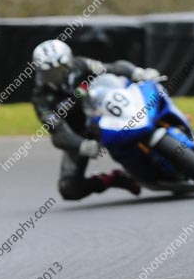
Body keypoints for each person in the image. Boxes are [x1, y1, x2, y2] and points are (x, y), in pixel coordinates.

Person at [31, 39, 161, 200]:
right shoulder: (41, 99)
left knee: (145, 107)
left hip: (105, 112)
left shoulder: (80, 65)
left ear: (67, 65)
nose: (51, 77)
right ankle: (114, 179)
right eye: (46, 72)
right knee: (69, 189)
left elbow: (112, 68)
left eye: (56, 71)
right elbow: (57, 132)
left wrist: (137, 72)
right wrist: (80, 145)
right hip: (81, 133)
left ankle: (170, 128)